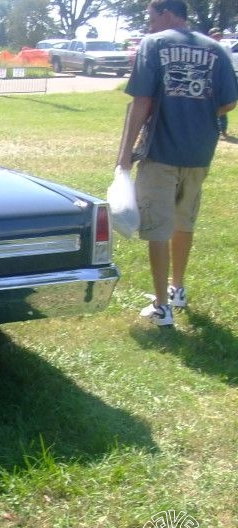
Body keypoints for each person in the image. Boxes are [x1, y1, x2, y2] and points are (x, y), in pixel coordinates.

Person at [116, 0, 238, 326]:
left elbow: (142, 101)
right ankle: (177, 289)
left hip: (161, 152)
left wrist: (124, 156)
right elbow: (228, 103)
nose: (148, 25)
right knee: (185, 221)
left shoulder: (153, 45)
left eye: (150, 18)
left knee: (157, 225)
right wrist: (196, 114)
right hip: (200, 153)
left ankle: (160, 307)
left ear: (167, 14)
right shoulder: (216, 49)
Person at [208, 28, 230, 136]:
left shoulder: (225, 47)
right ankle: (213, 126)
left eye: (218, 35)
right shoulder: (207, 47)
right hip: (210, 78)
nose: (217, 37)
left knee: (223, 103)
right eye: (215, 36)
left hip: (221, 78)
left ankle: (223, 128)